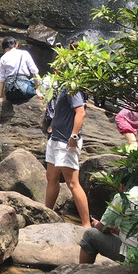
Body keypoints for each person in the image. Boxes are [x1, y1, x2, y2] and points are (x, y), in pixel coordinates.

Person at [44, 85, 91, 227]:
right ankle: (46, 215)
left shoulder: (73, 88)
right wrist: (53, 124)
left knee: (72, 183)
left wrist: (74, 135)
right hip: (55, 139)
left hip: (66, 142)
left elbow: (81, 112)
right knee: (51, 178)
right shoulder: (63, 86)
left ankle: (86, 225)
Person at [79, 185, 138, 263]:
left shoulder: (122, 198)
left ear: (121, 186)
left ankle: (83, 272)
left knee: (89, 235)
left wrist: (96, 224)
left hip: (135, 258)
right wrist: (115, 229)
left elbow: (103, 228)